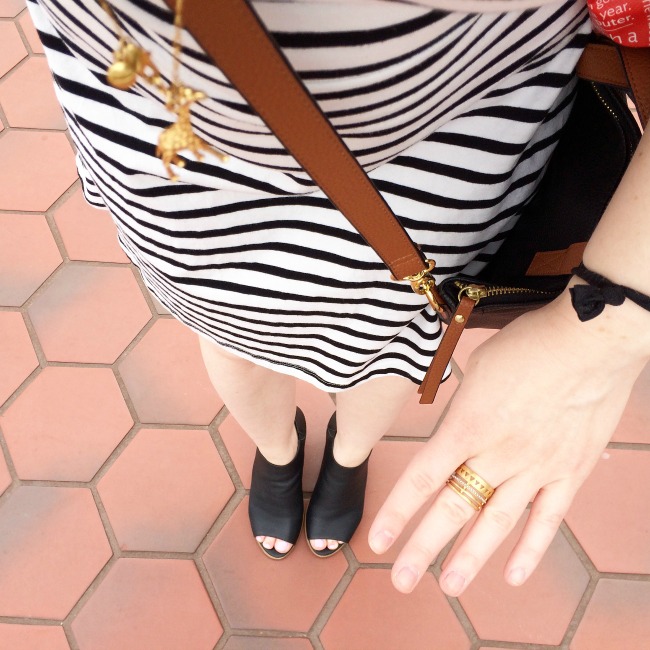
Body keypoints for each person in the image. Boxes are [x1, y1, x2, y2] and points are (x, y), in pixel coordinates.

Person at [28, 0, 650, 594]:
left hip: (430, 164)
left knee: (387, 343)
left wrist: (608, 332)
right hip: (170, 157)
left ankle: (349, 456)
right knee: (226, 332)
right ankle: (278, 449)